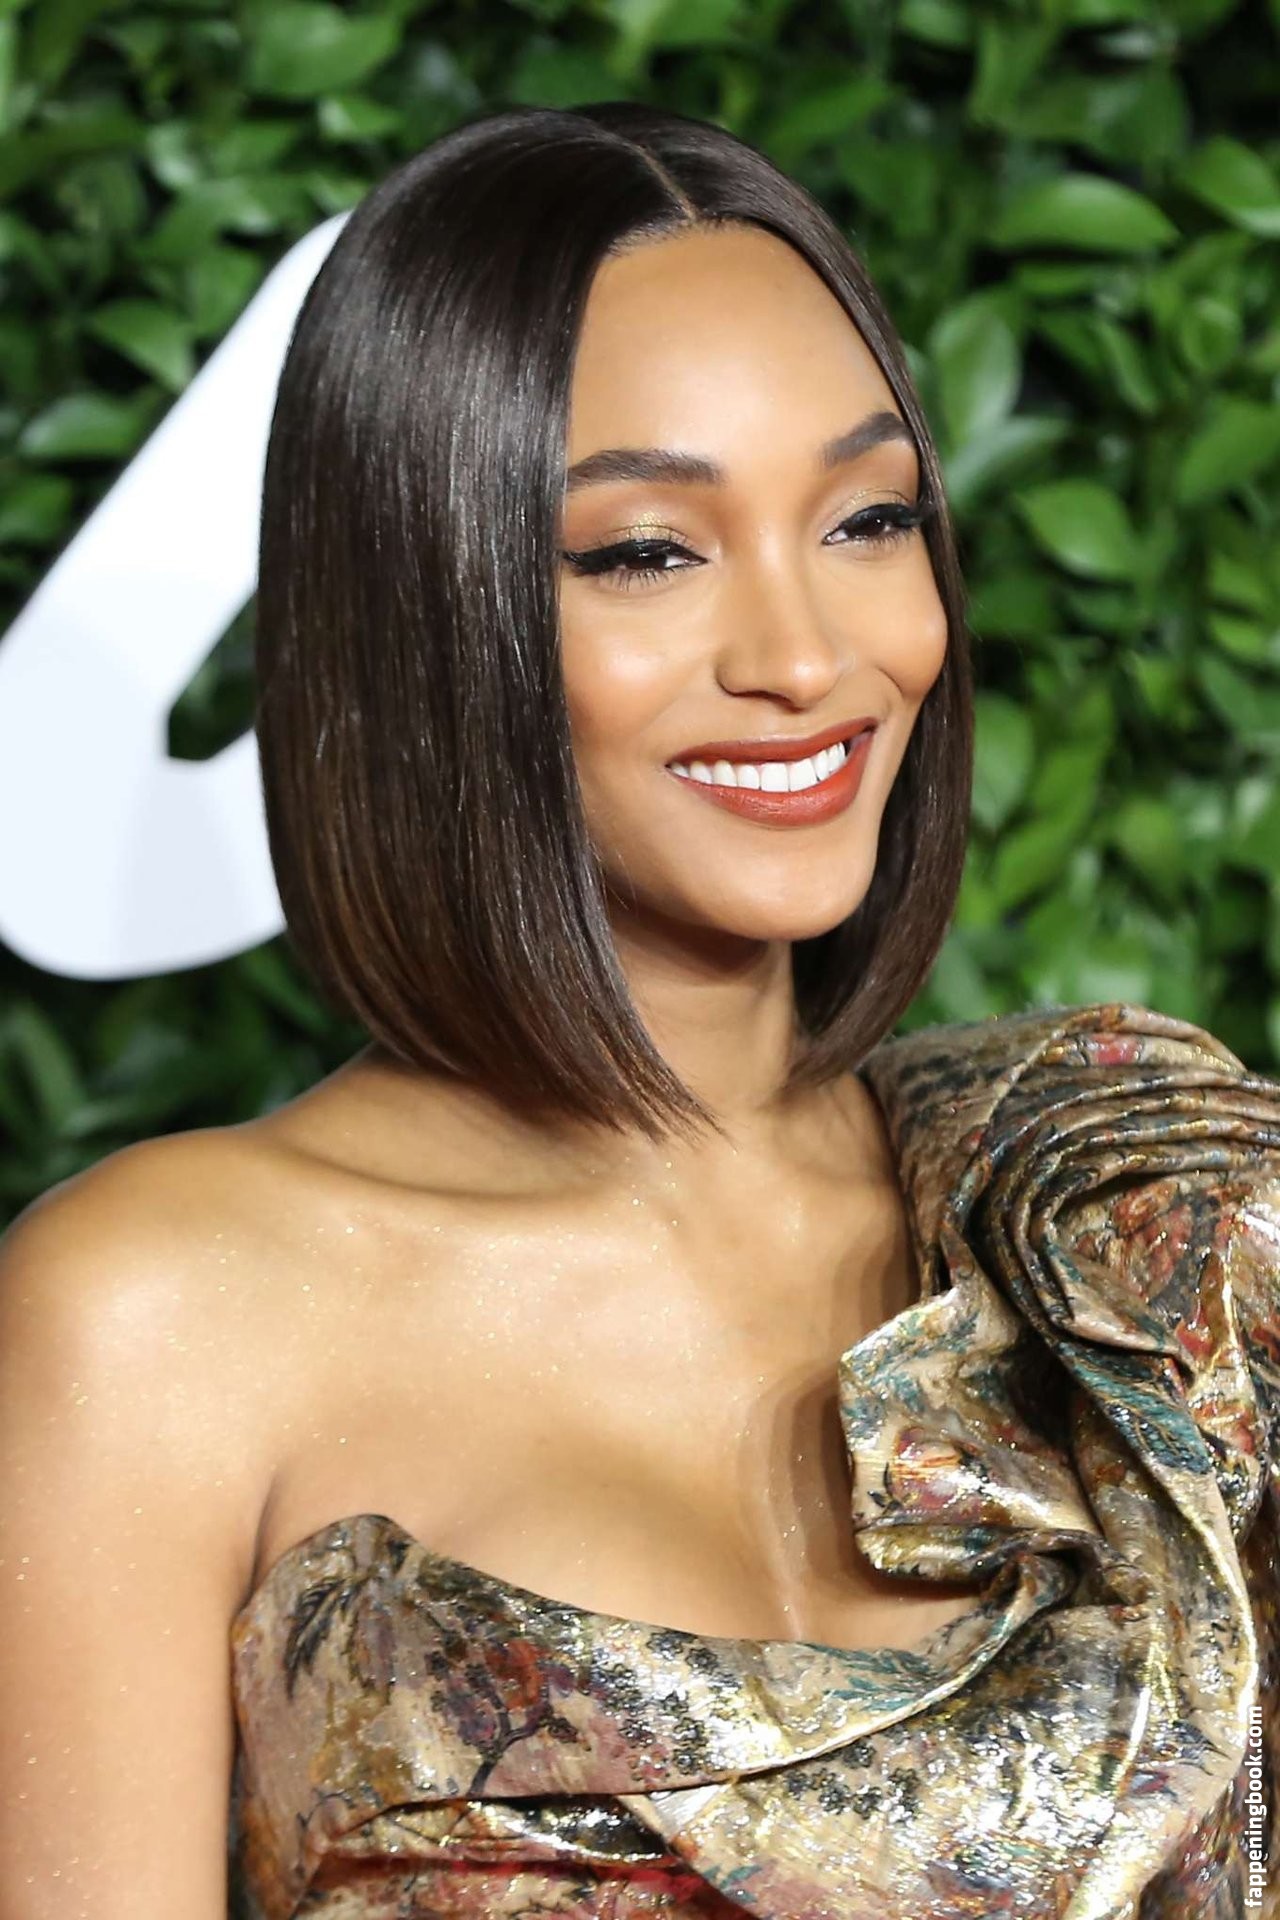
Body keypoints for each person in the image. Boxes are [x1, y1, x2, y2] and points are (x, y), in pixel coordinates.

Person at [0, 101, 1276, 1920]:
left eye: (867, 519)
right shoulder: (155, 1315)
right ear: (425, 607)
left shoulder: (1125, 1211)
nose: (806, 658)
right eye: (646, 552)